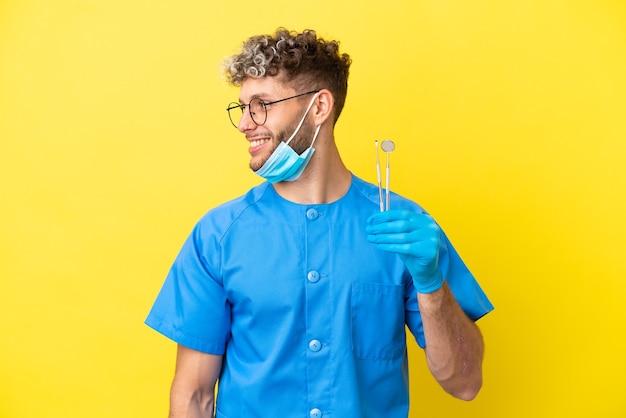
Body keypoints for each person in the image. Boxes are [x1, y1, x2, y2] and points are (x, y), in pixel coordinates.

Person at [146, 27, 494, 418]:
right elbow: (194, 396)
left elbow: (465, 383)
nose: (245, 124)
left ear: (318, 107)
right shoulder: (218, 236)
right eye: (242, 107)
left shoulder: (404, 227)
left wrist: (431, 285)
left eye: (260, 105)